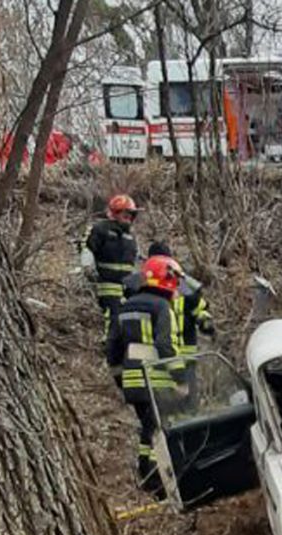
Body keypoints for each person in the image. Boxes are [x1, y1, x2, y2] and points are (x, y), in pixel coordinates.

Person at [107, 254, 186, 494]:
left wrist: (121, 380)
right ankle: (155, 481)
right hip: (157, 378)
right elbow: (166, 345)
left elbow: (112, 349)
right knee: (157, 429)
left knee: (148, 426)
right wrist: (180, 378)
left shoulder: (123, 307)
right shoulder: (162, 307)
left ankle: (149, 475)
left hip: (132, 380)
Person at [84, 194, 140, 336]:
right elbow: (88, 248)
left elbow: (135, 261)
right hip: (107, 282)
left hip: (127, 285)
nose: (129, 217)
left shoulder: (131, 236)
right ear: (115, 212)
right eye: (125, 214)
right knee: (113, 314)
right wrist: (87, 267)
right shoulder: (101, 229)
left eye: (131, 214)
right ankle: (109, 342)